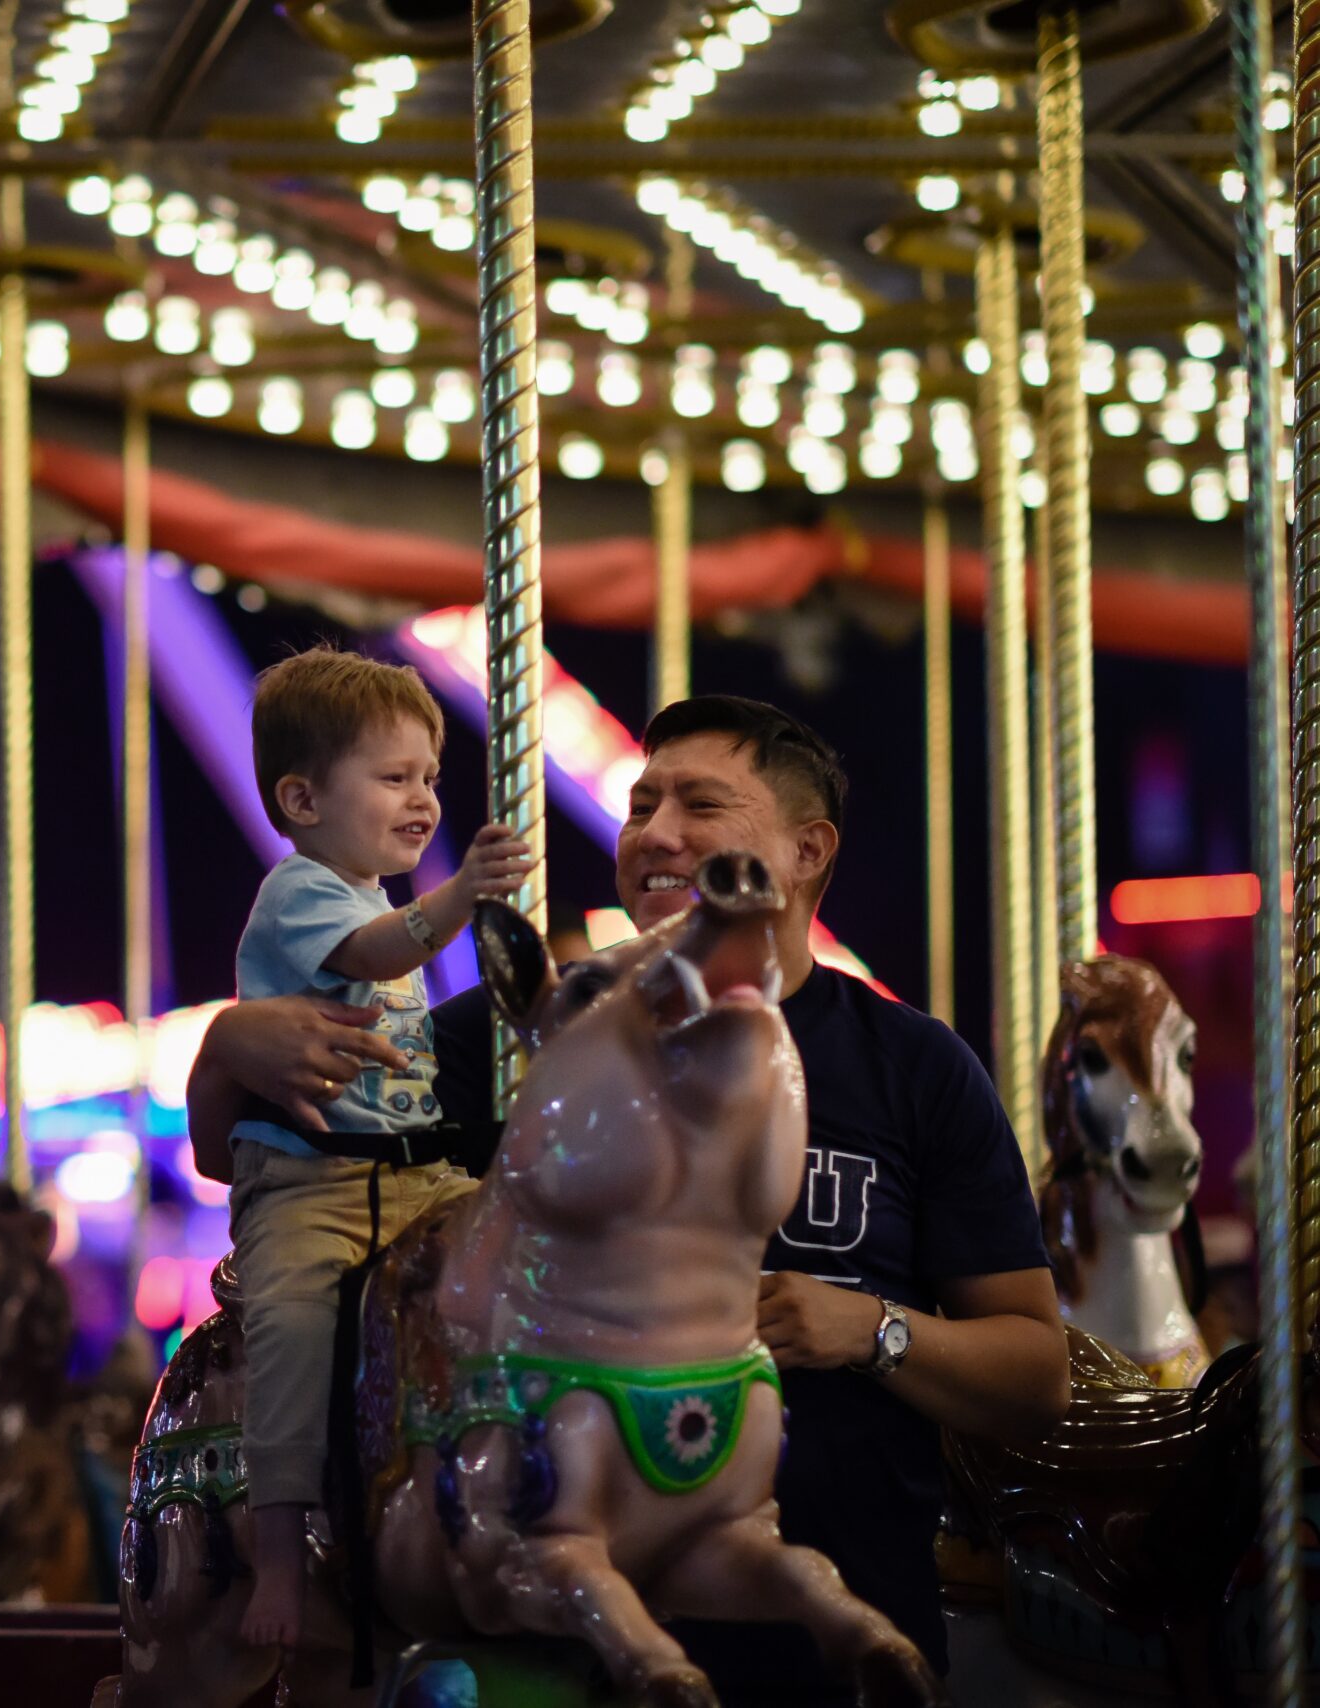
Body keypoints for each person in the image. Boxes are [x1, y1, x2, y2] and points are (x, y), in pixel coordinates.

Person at [190, 693, 1072, 1704]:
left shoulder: (912, 1067)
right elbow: (262, 1158)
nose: (654, 834)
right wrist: (224, 1052)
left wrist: (872, 1329)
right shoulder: (538, 1034)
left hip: (832, 1627)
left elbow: (1032, 1371)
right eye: (640, 805)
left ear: (803, 851)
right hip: (562, 1640)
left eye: (698, 805)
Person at [215, 647, 532, 1652]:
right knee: (296, 1333)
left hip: (413, 1171)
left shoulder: (368, 893)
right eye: (394, 777)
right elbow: (384, 950)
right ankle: (277, 1553)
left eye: (431, 777)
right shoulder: (303, 892)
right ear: (302, 798)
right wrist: (464, 895)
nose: (423, 799)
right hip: (309, 1184)